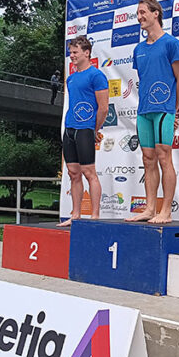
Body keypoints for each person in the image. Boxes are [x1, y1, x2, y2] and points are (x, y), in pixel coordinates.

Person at [125, 0, 179, 224]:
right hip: (144, 110)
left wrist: (173, 109)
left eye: (142, 12)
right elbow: (144, 80)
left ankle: (166, 211)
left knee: (164, 157)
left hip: (164, 109)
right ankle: (150, 208)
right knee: (148, 158)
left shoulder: (172, 44)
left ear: (156, 13)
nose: (139, 17)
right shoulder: (138, 49)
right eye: (138, 14)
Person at [57, 35, 108, 227]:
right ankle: (76, 215)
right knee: (73, 173)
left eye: (75, 52)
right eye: (70, 53)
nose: (72, 56)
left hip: (86, 129)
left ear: (87, 53)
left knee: (89, 172)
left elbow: (103, 108)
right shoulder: (71, 78)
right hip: (69, 128)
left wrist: (94, 129)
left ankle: (95, 215)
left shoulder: (96, 75)